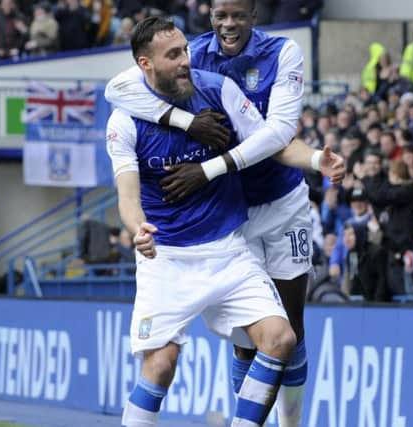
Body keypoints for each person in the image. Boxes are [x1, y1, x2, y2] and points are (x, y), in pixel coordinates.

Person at [104, 2, 344, 425]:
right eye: (173, 55)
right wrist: (183, 122)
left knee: (288, 332)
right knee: (169, 364)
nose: (185, 61)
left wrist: (315, 159)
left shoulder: (244, 73)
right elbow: (126, 190)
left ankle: (288, 423)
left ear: (253, 15)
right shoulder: (130, 116)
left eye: (184, 52)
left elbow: (278, 137)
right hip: (184, 247)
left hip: (259, 217)